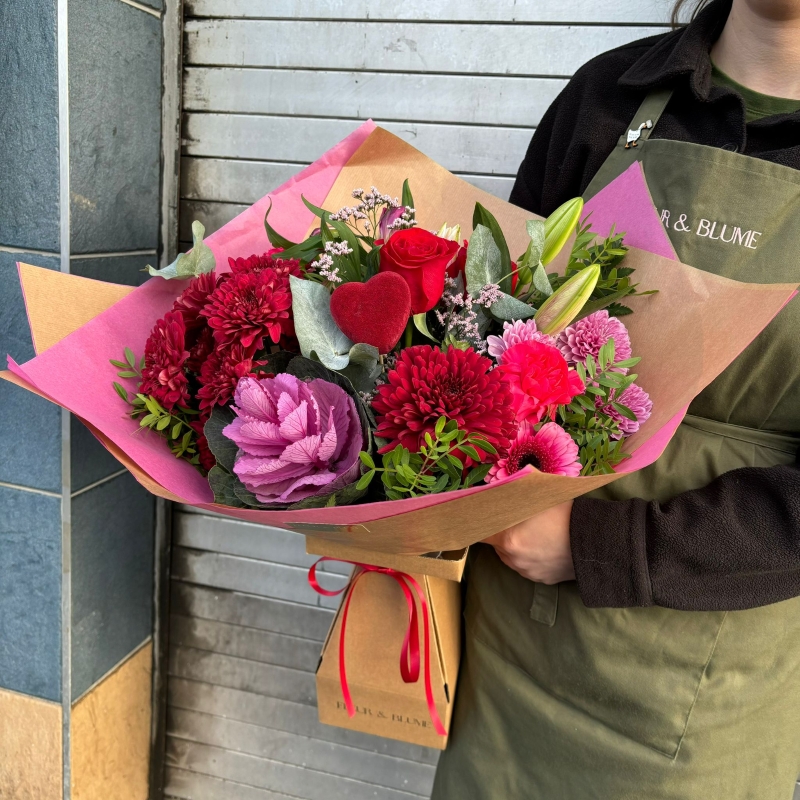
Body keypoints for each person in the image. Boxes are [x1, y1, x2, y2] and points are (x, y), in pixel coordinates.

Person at [432, 0, 800, 796]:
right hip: (512, 637)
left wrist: (599, 545)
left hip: (705, 679)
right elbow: (496, 324)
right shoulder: (608, 95)